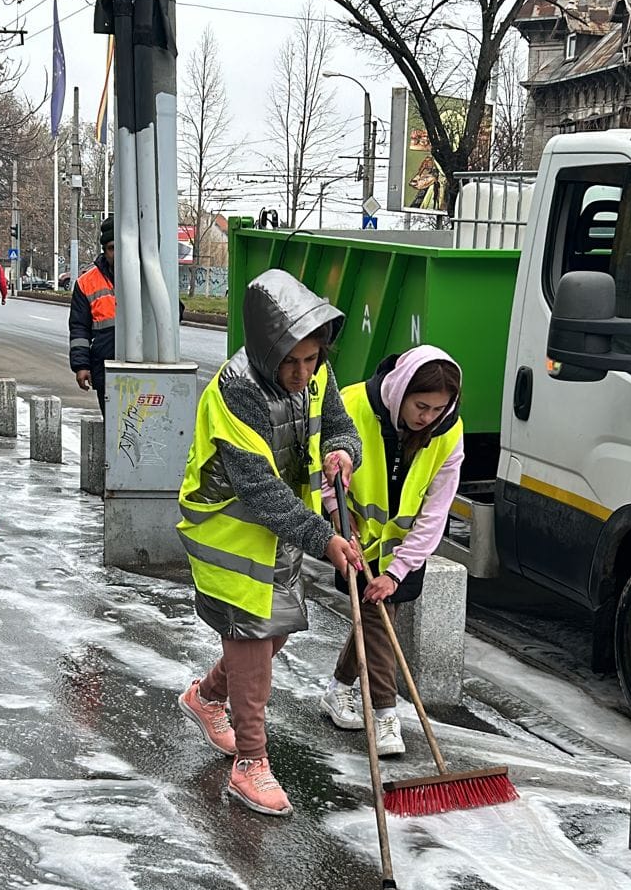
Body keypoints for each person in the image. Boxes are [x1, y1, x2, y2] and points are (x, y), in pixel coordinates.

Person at [176, 269, 363, 817]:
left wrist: (342, 452)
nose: (302, 375)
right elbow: (257, 490)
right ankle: (250, 762)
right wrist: (324, 538)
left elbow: (338, 425)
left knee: (266, 637)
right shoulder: (236, 390)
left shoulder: (316, 373)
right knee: (255, 643)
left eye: (311, 361)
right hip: (227, 529)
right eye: (291, 363)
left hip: (277, 532)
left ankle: (207, 696)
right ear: (265, 350)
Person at [317, 346, 463, 758]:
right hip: (353, 534)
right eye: (421, 406)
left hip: (406, 545)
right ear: (402, 391)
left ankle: (339, 690)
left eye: (438, 408)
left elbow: (436, 510)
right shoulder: (352, 404)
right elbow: (325, 474)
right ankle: (383, 711)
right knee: (378, 621)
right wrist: (339, 519)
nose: (427, 417)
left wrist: (396, 572)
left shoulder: (448, 432)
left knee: (376, 614)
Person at [68, 218, 115, 411]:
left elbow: (173, 314)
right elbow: (79, 328)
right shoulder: (86, 282)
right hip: (105, 366)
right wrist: (81, 365)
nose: (118, 253)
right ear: (104, 250)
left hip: (146, 365)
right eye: (112, 248)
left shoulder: (149, 275)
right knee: (113, 428)